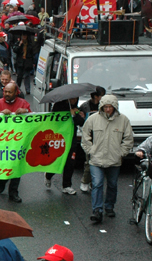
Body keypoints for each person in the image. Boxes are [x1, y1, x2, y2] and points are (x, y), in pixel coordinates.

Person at [80, 94, 133, 223]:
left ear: (115, 107)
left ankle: (109, 206)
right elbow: (85, 135)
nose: (108, 109)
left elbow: (128, 139)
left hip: (114, 160)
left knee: (112, 184)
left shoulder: (123, 120)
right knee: (97, 184)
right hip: (96, 159)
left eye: (110, 107)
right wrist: (91, 150)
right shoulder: (93, 119)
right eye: (105, 107)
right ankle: (97, 210)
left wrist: (121, 152)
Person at [0, 82, 30, 203]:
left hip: (18, 143)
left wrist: (26, 111)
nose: (6, 94)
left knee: (16, 168)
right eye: (5, 91)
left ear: (16, 92)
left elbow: (33, 120)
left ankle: (13, 193)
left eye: (9, 92)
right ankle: (2, 183)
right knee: (4, 168)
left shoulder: (23, 104)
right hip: (2, 143)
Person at [45, 99, 84, 195]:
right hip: (59, 139)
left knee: (70, 162)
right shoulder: (58, 106)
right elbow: (53, 120)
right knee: (57, 161)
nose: (74, 100)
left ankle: (66, 185)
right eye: (72, 98)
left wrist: (75, 115)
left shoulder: (76, 108)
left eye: (75, 98)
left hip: (71, 139)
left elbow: (81, 122)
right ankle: (48, 175)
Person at [77, 87, 105, 192]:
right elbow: (80, 121)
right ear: (95, 96)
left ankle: (94, 183)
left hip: (101, 136)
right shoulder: (85, 106)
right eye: (101, 95)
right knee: (89, 161)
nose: (102, 98)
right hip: (89, 136)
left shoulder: (104, 106)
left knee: (100, 161)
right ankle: (85, 181)